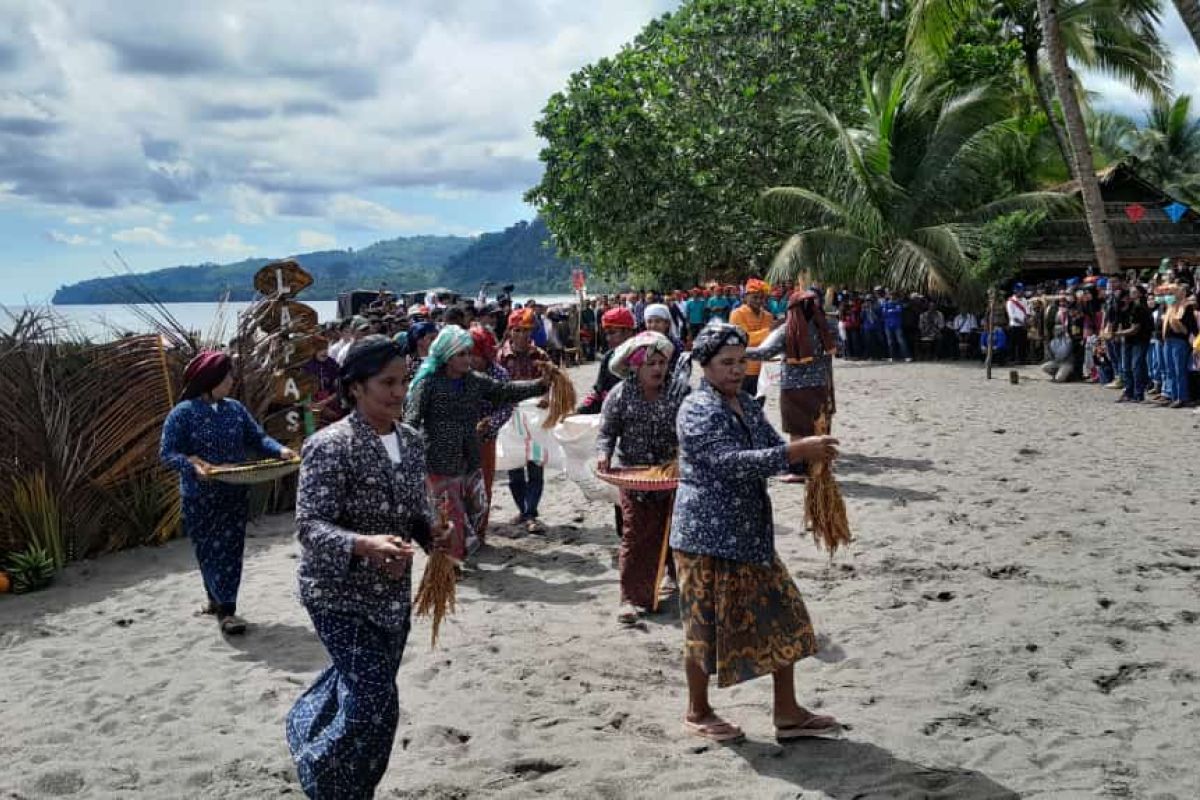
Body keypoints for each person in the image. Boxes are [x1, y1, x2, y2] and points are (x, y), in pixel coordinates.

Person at [287, 336, 447, 799]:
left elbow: (414, 509)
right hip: (337, 595)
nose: (399, 392)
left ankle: (354, 786)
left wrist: (430, 533)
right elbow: (309, 526)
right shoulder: (329, 445)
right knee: (378, 703)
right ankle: (323, 774)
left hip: (392, 596)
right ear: (355, 388)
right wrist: (363, 544)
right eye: (386, 383)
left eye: (403, 381)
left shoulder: (412, 441)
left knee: (364, 693)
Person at [669, 322, 841, 743]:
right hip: (705, 537)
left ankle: (787, 712)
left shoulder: (746, 404)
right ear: (704, 366)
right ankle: (697, 710)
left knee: (787, 616)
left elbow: (771, 453)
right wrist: (794, 451)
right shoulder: (696, 409)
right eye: (725, 363)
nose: (734, 369)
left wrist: (809, 460)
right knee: (703, 627)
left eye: (740, 361)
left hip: (750, 535)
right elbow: (728, 461)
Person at [160, 351, 296, 635]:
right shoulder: (182, 414)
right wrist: (191, 466)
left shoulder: (235, 409)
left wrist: (280, 450)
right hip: (199, 497)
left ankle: (227, 611)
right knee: (207, 551)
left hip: (234, 493)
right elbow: (167, 454)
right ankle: (215, 600)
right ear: (210, 381)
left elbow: (257, 438)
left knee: (231, 551)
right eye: (227, 376)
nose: (232, 381)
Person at [405, 326, 549, 557]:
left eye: (468, 353)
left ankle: (462, 550)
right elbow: (411, 422)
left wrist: (540, 385)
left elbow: (505, 391)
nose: (468, 359)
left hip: (470, 456)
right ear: (447, 356)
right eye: (461, 354)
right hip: (439, 460)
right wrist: (411, 455)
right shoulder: (428, 384)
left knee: (477, 508)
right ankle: (451, 562)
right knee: (450, 515)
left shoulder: (473, 380)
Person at [596, 332, 687, 625]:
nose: (658, 369)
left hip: (672, 471)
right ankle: (630, 598)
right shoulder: (620, 394)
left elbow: (692, 425)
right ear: (636, 367)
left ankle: (675, 580)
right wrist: (604, 454)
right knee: (635, 534)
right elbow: (607, 432)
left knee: (675, 530)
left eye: (662, 362)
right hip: (633, 474)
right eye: (651, 364)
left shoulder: (678, 391)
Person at [745, 290, 836, 484]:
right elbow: (839, 347)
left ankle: (798, 471)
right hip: (820, 384)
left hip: (793, 388)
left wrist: (735, 350)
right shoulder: (826, 327)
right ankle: (819, 468)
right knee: (818, 425)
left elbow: (764, 352)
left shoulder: (786, 330)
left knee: (797, 429)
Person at [498, 308, 553, 532]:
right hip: (510, 417)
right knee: (514, 466)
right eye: (518, 330)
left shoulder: (540, 356)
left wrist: (547, 399)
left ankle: (531, 512)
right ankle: (523, 509)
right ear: (511, 331)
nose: (522, 335)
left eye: (527, 330)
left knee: (536, 465)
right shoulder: (501, 357)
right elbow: (495, 387)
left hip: (536, 417)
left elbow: (552, 382)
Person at [470, 326, 512, 534]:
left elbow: (506, 408)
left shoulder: (499, 374)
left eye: (475, 355)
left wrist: (489, 425)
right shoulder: (459, 374)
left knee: (484, 485)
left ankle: (479, 531)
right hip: (460, 439)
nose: (470, 359)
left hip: (486, 439)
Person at [577, 307, 636, 414]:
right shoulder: (608, 357)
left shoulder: (644, 358)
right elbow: (598, 392)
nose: (608, 338)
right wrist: (579, 411)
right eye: (606, 334)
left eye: (612, 333)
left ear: (629, 331)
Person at [729, 278, 775, 398]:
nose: (759, 301)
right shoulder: (736, 314)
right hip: (743, 370)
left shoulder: (768, 316)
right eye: (755, 297)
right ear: (745, 297)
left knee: (758, 407)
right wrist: (769, 331)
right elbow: (745, 339)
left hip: (764, 371)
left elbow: (770, 342)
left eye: (761, 297)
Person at [1159, 283, 1197, 408]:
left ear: (1183, 293)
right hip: (1168, 341)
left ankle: (1182, 397)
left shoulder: (1187, 306)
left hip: (1180, 341)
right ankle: (1172, 395)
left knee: (1179, 370)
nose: (1171, 294)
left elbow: (1192, 327)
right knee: (1170, 370)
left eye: (1174, 291)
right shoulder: (1170, 306)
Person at [1115, 285, 1151, 403]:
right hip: (1128, 340)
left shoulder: (1140, 308)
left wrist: (1116, 334)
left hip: (1140, 340)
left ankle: (1138, 393)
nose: (1130, 295)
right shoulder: (1126, 308)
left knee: (1136, 367)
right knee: (1126, 367)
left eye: (1133, 292)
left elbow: (1135, 329)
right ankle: (1128, 392)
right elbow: (1121, 323)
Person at [643, 302, 685, 374]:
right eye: (649, 322)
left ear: (667, 323)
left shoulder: (676, 344)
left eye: (658, 321)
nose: (653, 325)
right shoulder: (642, 344)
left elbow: (680, 369)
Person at [881, 292, 910, 362]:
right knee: (890, 342)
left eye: (893, 295)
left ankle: (907, 356)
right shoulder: (886, 303)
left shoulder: (898, 303)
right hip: (888, 325)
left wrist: (890, 311)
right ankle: (892, 357)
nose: (891, 296)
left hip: (897, 325)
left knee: (901, 341)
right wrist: (892, 311)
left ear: (895, 296)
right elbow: (884, 313)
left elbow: (899, 311)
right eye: (890, 295)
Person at [1006, 284, 1031, 364]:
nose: (1021, 292)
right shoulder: (1010, 301)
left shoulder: (1024, 300)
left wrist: (1026, 321)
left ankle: (1022, 360)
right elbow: (1012, 316)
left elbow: (1027, 312)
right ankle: (1011, 359)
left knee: (1023, 344)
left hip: (1023, 325)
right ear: (1015, 291)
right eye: (1020, 290)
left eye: (1022, 290)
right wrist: (1022, 323)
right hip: (1014, 325)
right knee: (1013, 344)